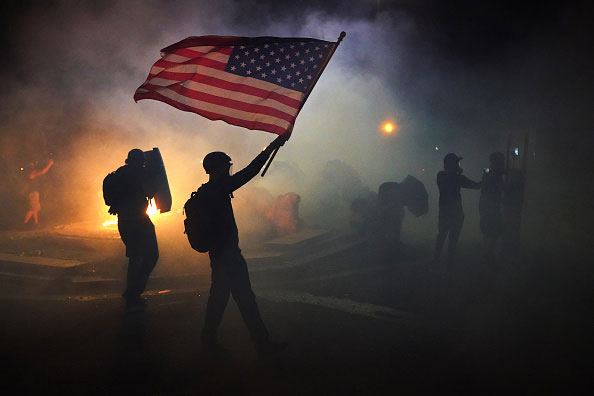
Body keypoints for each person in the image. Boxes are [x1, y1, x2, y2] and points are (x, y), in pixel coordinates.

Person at [200, 134, 287, 358]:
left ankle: (210, 342)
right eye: (227, 166)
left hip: (219, 255)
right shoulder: (220, 188)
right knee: (245, 299)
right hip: (228, 256)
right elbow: (251, 171)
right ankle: (262, 344)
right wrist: (271, 147)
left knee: (219, 299)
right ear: (219, 168)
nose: (230, 170)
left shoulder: (205, 191)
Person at [110, 149, 159, 308]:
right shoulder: (140, 173)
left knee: (135, 257)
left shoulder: (120, 173)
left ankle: (131, 292)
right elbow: (151, 191)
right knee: (152, 255)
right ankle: (134, 291)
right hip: (139, 220)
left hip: (124, 220)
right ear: (140, 161)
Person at [432, 153, 481, 270]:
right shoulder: (455, 177)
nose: (459, 165)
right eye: (457, 163)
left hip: (445, 212)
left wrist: (458, 172)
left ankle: (436, 261)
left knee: (442, 237)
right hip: (455, 213)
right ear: (453, 164)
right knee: (451, 239)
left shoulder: (441, 175)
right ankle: (447, 263)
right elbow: (476, 186)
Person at [479, 152, 505, 262]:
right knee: (492, 229)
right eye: (500, 161)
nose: (502, 164)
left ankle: (488, 252)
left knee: (491, 230)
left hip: (488, 205)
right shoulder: (491, 172)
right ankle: (487, 253)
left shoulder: (489, 171)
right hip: (489, 205)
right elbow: (500, 188)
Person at [23, 158, 54, 225]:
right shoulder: (31, 174)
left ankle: (36, 223)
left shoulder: (31, 173)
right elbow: (43, 172)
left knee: (35, 209)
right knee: (32, 209)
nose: (33, 166)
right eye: (32, 165)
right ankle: (24, 223)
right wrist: (50, 164)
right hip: (33, 193)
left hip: (34, 193)